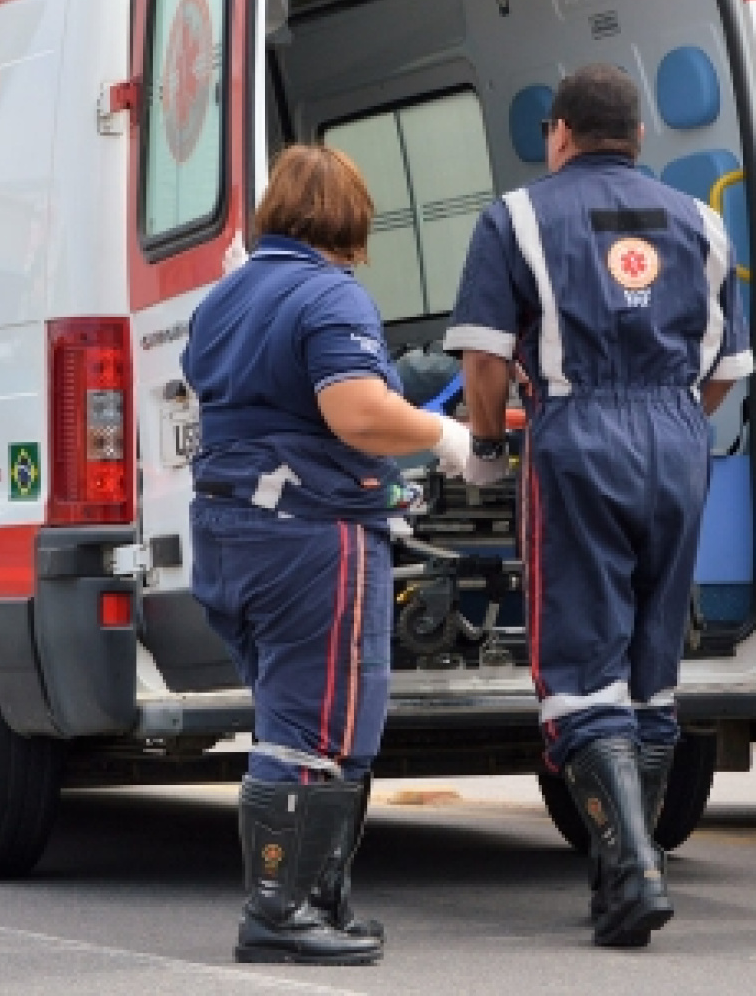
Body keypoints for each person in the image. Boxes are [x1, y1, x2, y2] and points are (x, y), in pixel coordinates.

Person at [443, 63, 753, 948]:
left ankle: (633, 869)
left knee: (578, 668)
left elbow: (484, 365)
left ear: (560, 132)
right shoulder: (702, 222)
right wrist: (671, 433)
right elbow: (726, 371)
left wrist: (492, 451)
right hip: (678, 440)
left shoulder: (516, 218)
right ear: (641, 138)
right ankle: (625, 868)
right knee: (651, 669)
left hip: (575, 437)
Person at [181, 144, 471, 966]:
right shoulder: (327, 294)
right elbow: (356, 411)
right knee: (315, 724)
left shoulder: (224, 298)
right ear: (346, 221)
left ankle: (315, 898)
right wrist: (446, 437)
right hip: (308, 533)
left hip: (232, 529)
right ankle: (280, 908)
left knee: (299, 713)